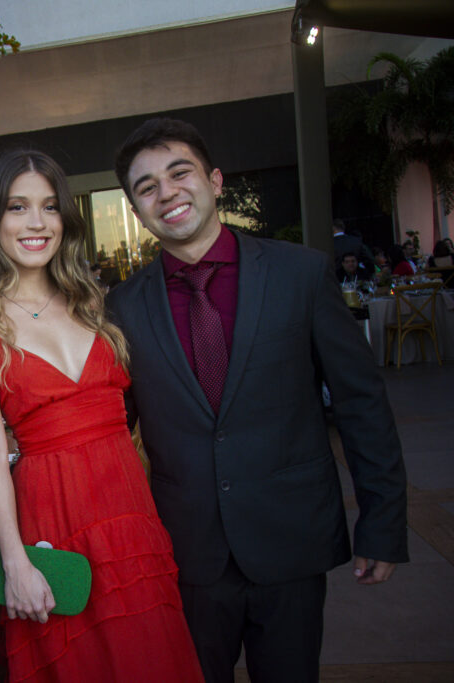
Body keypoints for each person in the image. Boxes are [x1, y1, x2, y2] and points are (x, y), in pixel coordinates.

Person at [107, 118, 407, 683]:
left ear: (215, 181)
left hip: (290, 536)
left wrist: (383, 523)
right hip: (185, 550)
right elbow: (110, 428)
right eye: (147, 187)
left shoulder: (300, 273)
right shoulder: (120, 307)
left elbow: (361, 403)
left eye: (180, 173)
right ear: (137, 209)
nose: (166, 192)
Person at [0, 149, 203, 682]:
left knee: (150, 658)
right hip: (52, 515)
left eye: (49, 207)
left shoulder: (93, 302)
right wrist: (14, 560)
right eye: (18, 207)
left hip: (129, 512)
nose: (37, 222)